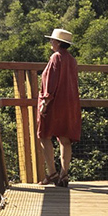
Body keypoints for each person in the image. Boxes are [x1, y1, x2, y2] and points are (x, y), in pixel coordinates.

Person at [35, 27, 80, 187]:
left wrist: (44, 103)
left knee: (44, 136)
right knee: (65, 138)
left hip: (55, 104)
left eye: (52, 40)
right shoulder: (72, 60)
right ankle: (64, 174)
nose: (50, 42)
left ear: (58, 42)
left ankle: (52, 173)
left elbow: (51, 83)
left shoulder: (56, 58)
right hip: (70, 104)